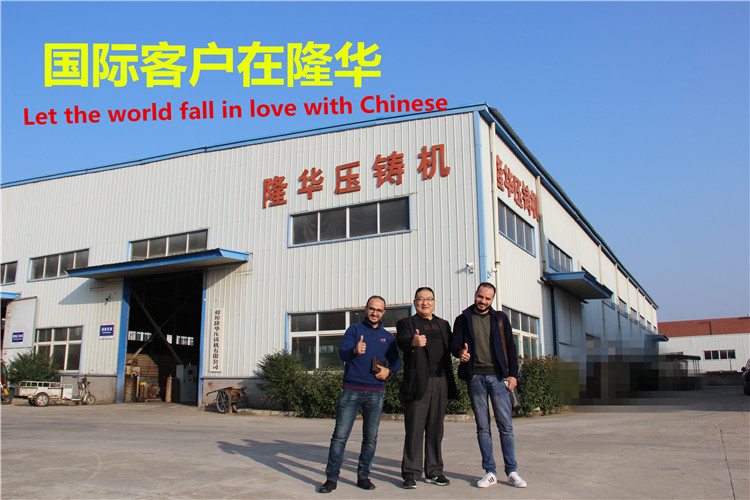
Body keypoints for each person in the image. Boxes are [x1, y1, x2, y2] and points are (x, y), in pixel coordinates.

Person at [318, 296, 401, 494]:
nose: (375, 313)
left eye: (379, 310)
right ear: (365, 309)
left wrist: (389, 371)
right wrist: (355, 350)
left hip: (376, 392)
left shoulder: (387, 337)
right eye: (372, 309)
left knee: (370, 438)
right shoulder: (354, 330)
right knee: (339, 437)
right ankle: (331, 478)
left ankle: (363, 476)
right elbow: (342, 353)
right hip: (351, 390)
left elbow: (396, 362)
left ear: (384, 313)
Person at [451, 282, 527, 489]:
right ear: (475, 294)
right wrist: (460, 352)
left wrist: (513, 375)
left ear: (492, 299)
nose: (483, 301)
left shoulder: (500, 319)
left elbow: (511, 347)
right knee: (483, 427)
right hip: (475, 378)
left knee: (506, 426)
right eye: (480, 296)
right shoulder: (463, 319)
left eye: (487, 298)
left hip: (498, 378)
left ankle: (512, 471)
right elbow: (454, 344)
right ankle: (490, 472)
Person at [396, 287, 458, 489]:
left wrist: (463, 353)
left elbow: (453, 347)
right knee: (414, 429)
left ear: (434, 302)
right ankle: (411, 473)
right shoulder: (406, 323)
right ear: (415, 303)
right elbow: (402, 341)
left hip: (441, 381)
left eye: (429, 299)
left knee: (435, 429)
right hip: (418, 382)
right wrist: (413, 342)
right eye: (421, 299)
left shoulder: (443, 324)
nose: (425, 303)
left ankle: (434, 471)